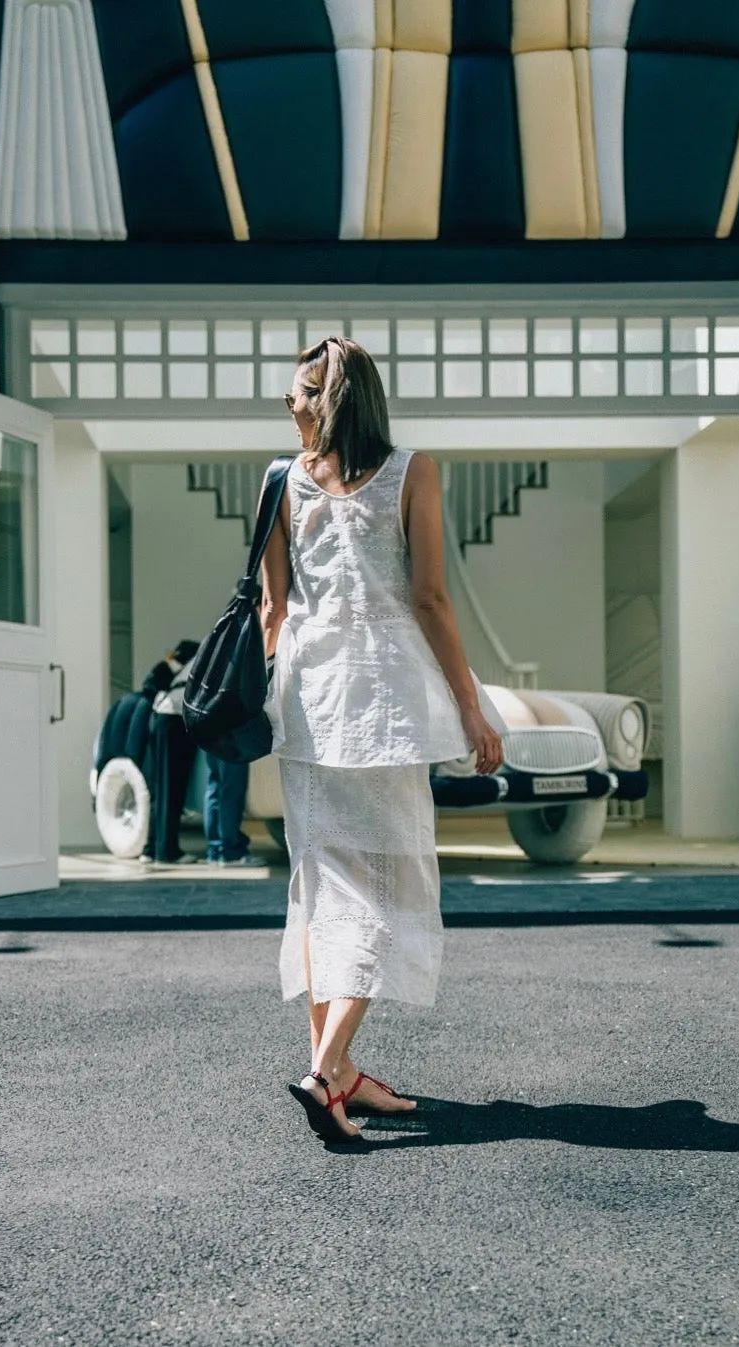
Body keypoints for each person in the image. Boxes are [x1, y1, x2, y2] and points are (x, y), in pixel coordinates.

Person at [261, 336, 506, 1144]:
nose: (288, 404)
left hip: (308, 708)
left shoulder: (281, 483)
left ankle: (340, 1076)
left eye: (301, 392)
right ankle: (323, 1069)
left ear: (334, 397)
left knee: (325, 885)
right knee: (387, 885)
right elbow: (430, 599)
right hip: (383, 708)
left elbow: (275, 615)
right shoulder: (413, 472)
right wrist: (471, 709)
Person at [142, 640, 200, 867]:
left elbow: (149, 687)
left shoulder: (172, 668)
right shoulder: (197, 660)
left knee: (159, 787)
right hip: (175, 719)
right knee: (172, 788)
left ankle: (151, 847)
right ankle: (167, 851)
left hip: (160, 717)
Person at [203, 756, 267, 867]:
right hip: (230, 740)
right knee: (232, 788)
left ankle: (215, 851)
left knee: (214, 786)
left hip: (209, 739)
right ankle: (231, 852)